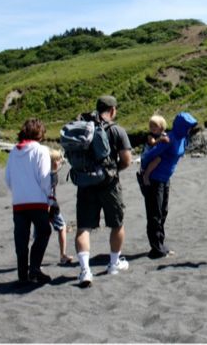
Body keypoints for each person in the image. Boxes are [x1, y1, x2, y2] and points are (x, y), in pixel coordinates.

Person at [74, 95, 132, 287]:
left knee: (84, 227)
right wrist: (112, 171)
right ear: (113, 110)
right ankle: (114, 263)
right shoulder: (116, 130)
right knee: (117, 223)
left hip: (85, 183)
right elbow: (126, 160)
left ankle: (85, 270)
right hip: (109, 184)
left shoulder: (83, 128)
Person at [138, 112, 197, 259]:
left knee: (163, 212)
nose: (189, 129)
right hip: (153, 179)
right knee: (154, 214)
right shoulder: (169, 139)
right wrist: (144, 174)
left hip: (165, 179)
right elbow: (150, 156)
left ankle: (160, 245)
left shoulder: (183, 138)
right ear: (181, 126)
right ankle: (156, 249)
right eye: (188, 126)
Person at [5, 118, 57, 285]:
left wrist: (18, 190)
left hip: (19, 202)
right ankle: (34, 268)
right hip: (37, 201)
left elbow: (8, 178)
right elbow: (44, 178)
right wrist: (50, 197)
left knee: (21, 238)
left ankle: (22, 273)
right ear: (39, 134)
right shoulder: (41, 151)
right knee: (43, 232)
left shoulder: (13, 151)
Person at [48, 149, 73, 265]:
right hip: (51, 207)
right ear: (54, 163)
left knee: (39, 233)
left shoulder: (44, 174)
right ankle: (63, 255)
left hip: (41, 206)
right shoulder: (53, 175)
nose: (60, 162)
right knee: (62, 227)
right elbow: (50, 192)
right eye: (58, 160)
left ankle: (34, 261)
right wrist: (50, 207)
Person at [137, 115, 169, 186]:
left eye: (155, 126)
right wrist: (160, 139)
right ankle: (146, 175)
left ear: (161, 127)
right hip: (147, 156)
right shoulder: (150, 136)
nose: (152, 128)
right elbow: (153, 143)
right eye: (151, 126)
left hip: (154, 154)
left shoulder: (164, 134)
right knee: (158, 159)